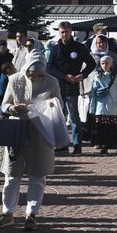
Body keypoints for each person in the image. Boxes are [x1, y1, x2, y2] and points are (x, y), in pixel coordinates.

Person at [0, 52, 61, 230]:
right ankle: (7, 212)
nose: (35, 78)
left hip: (40, 131)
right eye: (32, 74)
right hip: (16, 129)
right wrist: (13, 108)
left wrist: (47, 107)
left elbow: (59, 106)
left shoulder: (52, 82)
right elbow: (4, 104)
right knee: (12, 174)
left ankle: (32, 214)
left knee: (38, 174)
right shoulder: (15, 79)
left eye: (39, 75)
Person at [50, 22, 95, 152]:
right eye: (62, 32)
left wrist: (82, 75)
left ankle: (77, 145)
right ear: (59, 33)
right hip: (58, 85)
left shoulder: (79, 47)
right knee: (58, 117)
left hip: (73, 86)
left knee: (74, 116)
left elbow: (91, 63)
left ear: (71, 32)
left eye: (67, 32)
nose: (64, 34)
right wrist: (64, 76)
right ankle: (62, 145)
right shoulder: (55, 48)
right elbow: (50, 67)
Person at [87, 53, 117, 154]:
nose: (105, 65)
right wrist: (92, 108)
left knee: (114, 128)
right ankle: (104, 146)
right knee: (102, 128)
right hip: (101, 107)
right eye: (103, 63)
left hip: (112, 107)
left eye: (107, 63)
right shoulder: (97, 77)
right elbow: (93, 94)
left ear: (111, 64)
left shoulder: (116, 77)